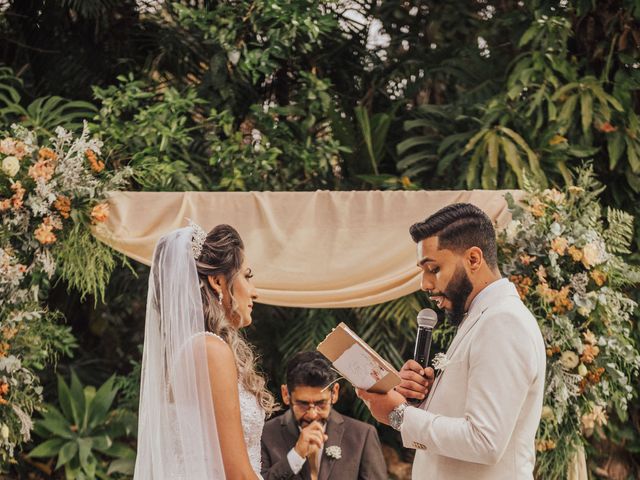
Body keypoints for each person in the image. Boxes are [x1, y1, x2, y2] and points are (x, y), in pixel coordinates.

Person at [357, 203, 546, 480]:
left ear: (473, 259)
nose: (425, 284)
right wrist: (422, 400)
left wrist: (399, 415)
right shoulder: (481, 317)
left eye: (433, 269)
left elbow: (485, 441)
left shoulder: (503, 322)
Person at [134, 223, 277, 479]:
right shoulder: (210, 350)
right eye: (247, 276)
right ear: (218, 281)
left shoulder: (193, 349)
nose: (254, 292)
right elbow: (238, 474)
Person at [261, 352, 387, 480]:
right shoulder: (265, 434)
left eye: (321, 403)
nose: (312, 414)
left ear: (335, 393)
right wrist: (296, 455)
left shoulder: (362, 435)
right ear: (286, 394)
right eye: (302, 404)